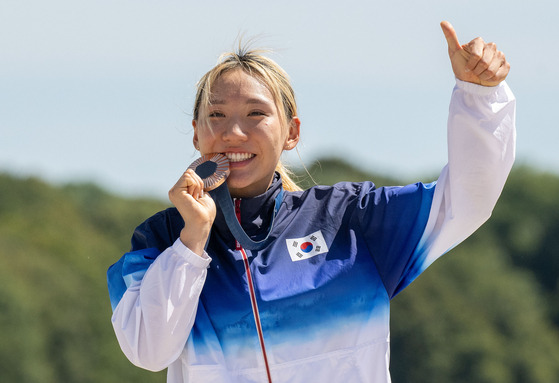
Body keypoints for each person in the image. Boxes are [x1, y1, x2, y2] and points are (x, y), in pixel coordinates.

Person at [107, 21, 515, 383]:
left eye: (255, 114)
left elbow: (467, 199)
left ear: (291, 133)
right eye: (216, 115)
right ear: (196, 133)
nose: (233, 132)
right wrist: (192, 241)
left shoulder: (350, 220)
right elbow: (148, 352)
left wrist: (480, 98)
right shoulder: (161, 238)